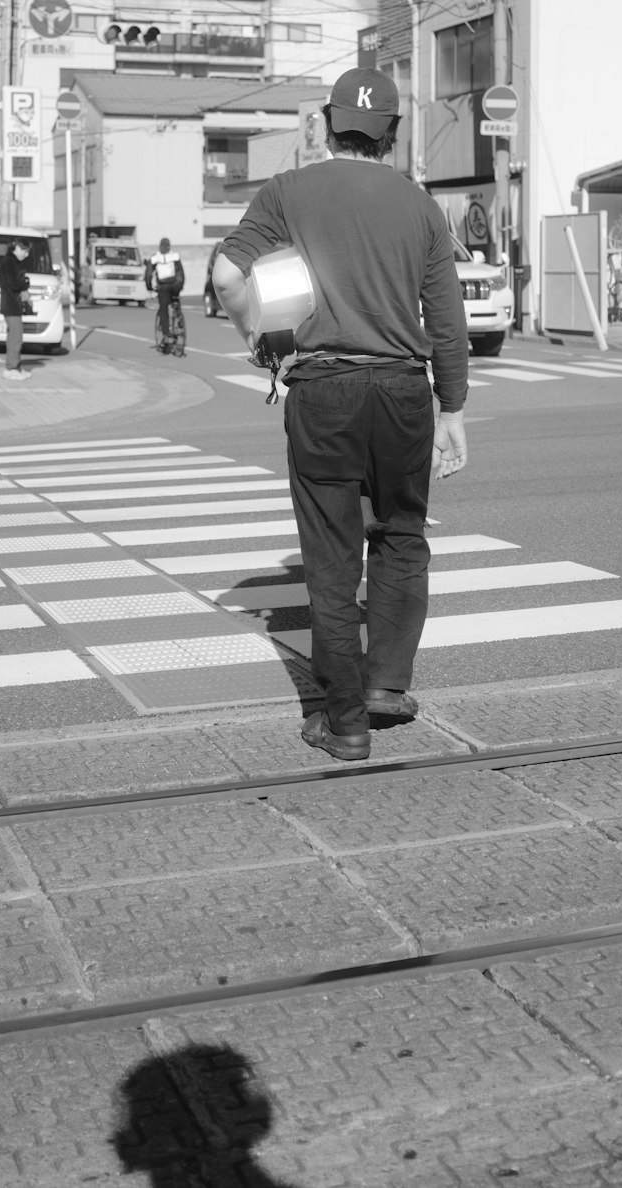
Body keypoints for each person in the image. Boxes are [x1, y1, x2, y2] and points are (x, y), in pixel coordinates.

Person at [213, 67, 468, 763]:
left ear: (328, 123)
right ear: (390, 131)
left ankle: (345, 720)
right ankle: (388, 684)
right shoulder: (419, 205)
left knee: (331, 560)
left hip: (323, 389)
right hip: (402, 393)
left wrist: (258, 340)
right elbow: (447, 321)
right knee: (401, 536)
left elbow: (227, 276)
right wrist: (452, 407)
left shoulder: (287, 191)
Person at [0, 238, 32, 381]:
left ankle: (15, 367)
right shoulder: (9, 262)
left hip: (11, 305)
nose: (26, 255)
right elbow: (13, 283)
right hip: (11, 305)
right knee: (16, 337)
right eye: (25, 251)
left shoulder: (10, 262)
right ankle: (11, 368)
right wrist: (25, 282)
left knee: (14, 336)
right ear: (18, 248)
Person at [147, 237, 185, 349]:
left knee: (163, 310)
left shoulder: (155, 258)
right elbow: (181, 273)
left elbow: (148, 275)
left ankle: (166, 334)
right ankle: (179, 318)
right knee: (175, 299)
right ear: (169, 246)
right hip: (175, 285)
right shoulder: (175, 256)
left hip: (163, 287)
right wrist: (181, 286)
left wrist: (149, 287)